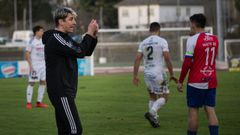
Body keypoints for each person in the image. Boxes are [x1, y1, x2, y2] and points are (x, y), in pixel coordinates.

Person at [42, 7, 98, 135]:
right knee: (75, 130)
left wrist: (93, 36)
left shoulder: (63, 38)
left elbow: (85, 51)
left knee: (65, 130)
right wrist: (88, 33)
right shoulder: (57, 38)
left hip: (65, 90)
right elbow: (80, 51)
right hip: (61, 90)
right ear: (61, 21)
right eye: (71, 19)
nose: (74, 23)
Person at [177, 13, 219, 135]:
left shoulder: (192, 40)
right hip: (211, 79)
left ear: (194, 24)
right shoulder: (214, 38)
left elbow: (187, 63)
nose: (190, 26)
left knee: (193, 111)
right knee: (210, 110)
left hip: (196, 81)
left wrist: (180, 81)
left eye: (191, 24)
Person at [133, 22, 177, 128]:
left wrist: (135, 76)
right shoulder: (162, 41)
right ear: (159, 30)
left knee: (152, 96)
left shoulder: (143, 42)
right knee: (165, 96)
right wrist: (171, 74)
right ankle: (152, 113)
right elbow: (167, 58)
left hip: (147, 74)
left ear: (150, 30)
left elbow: (137, 59)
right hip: (158, 74)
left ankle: (155, 120)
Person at [25, 25, 48, 109]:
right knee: (32, 83)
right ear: (36, 32)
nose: (43, 32)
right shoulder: (31, 41)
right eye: (41, 31)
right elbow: (27, 54)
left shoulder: (44, 41)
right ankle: (28, 102)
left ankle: (39, 102)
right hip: (35, 66)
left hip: (43, 65)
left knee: (43, 82)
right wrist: (30, 66)